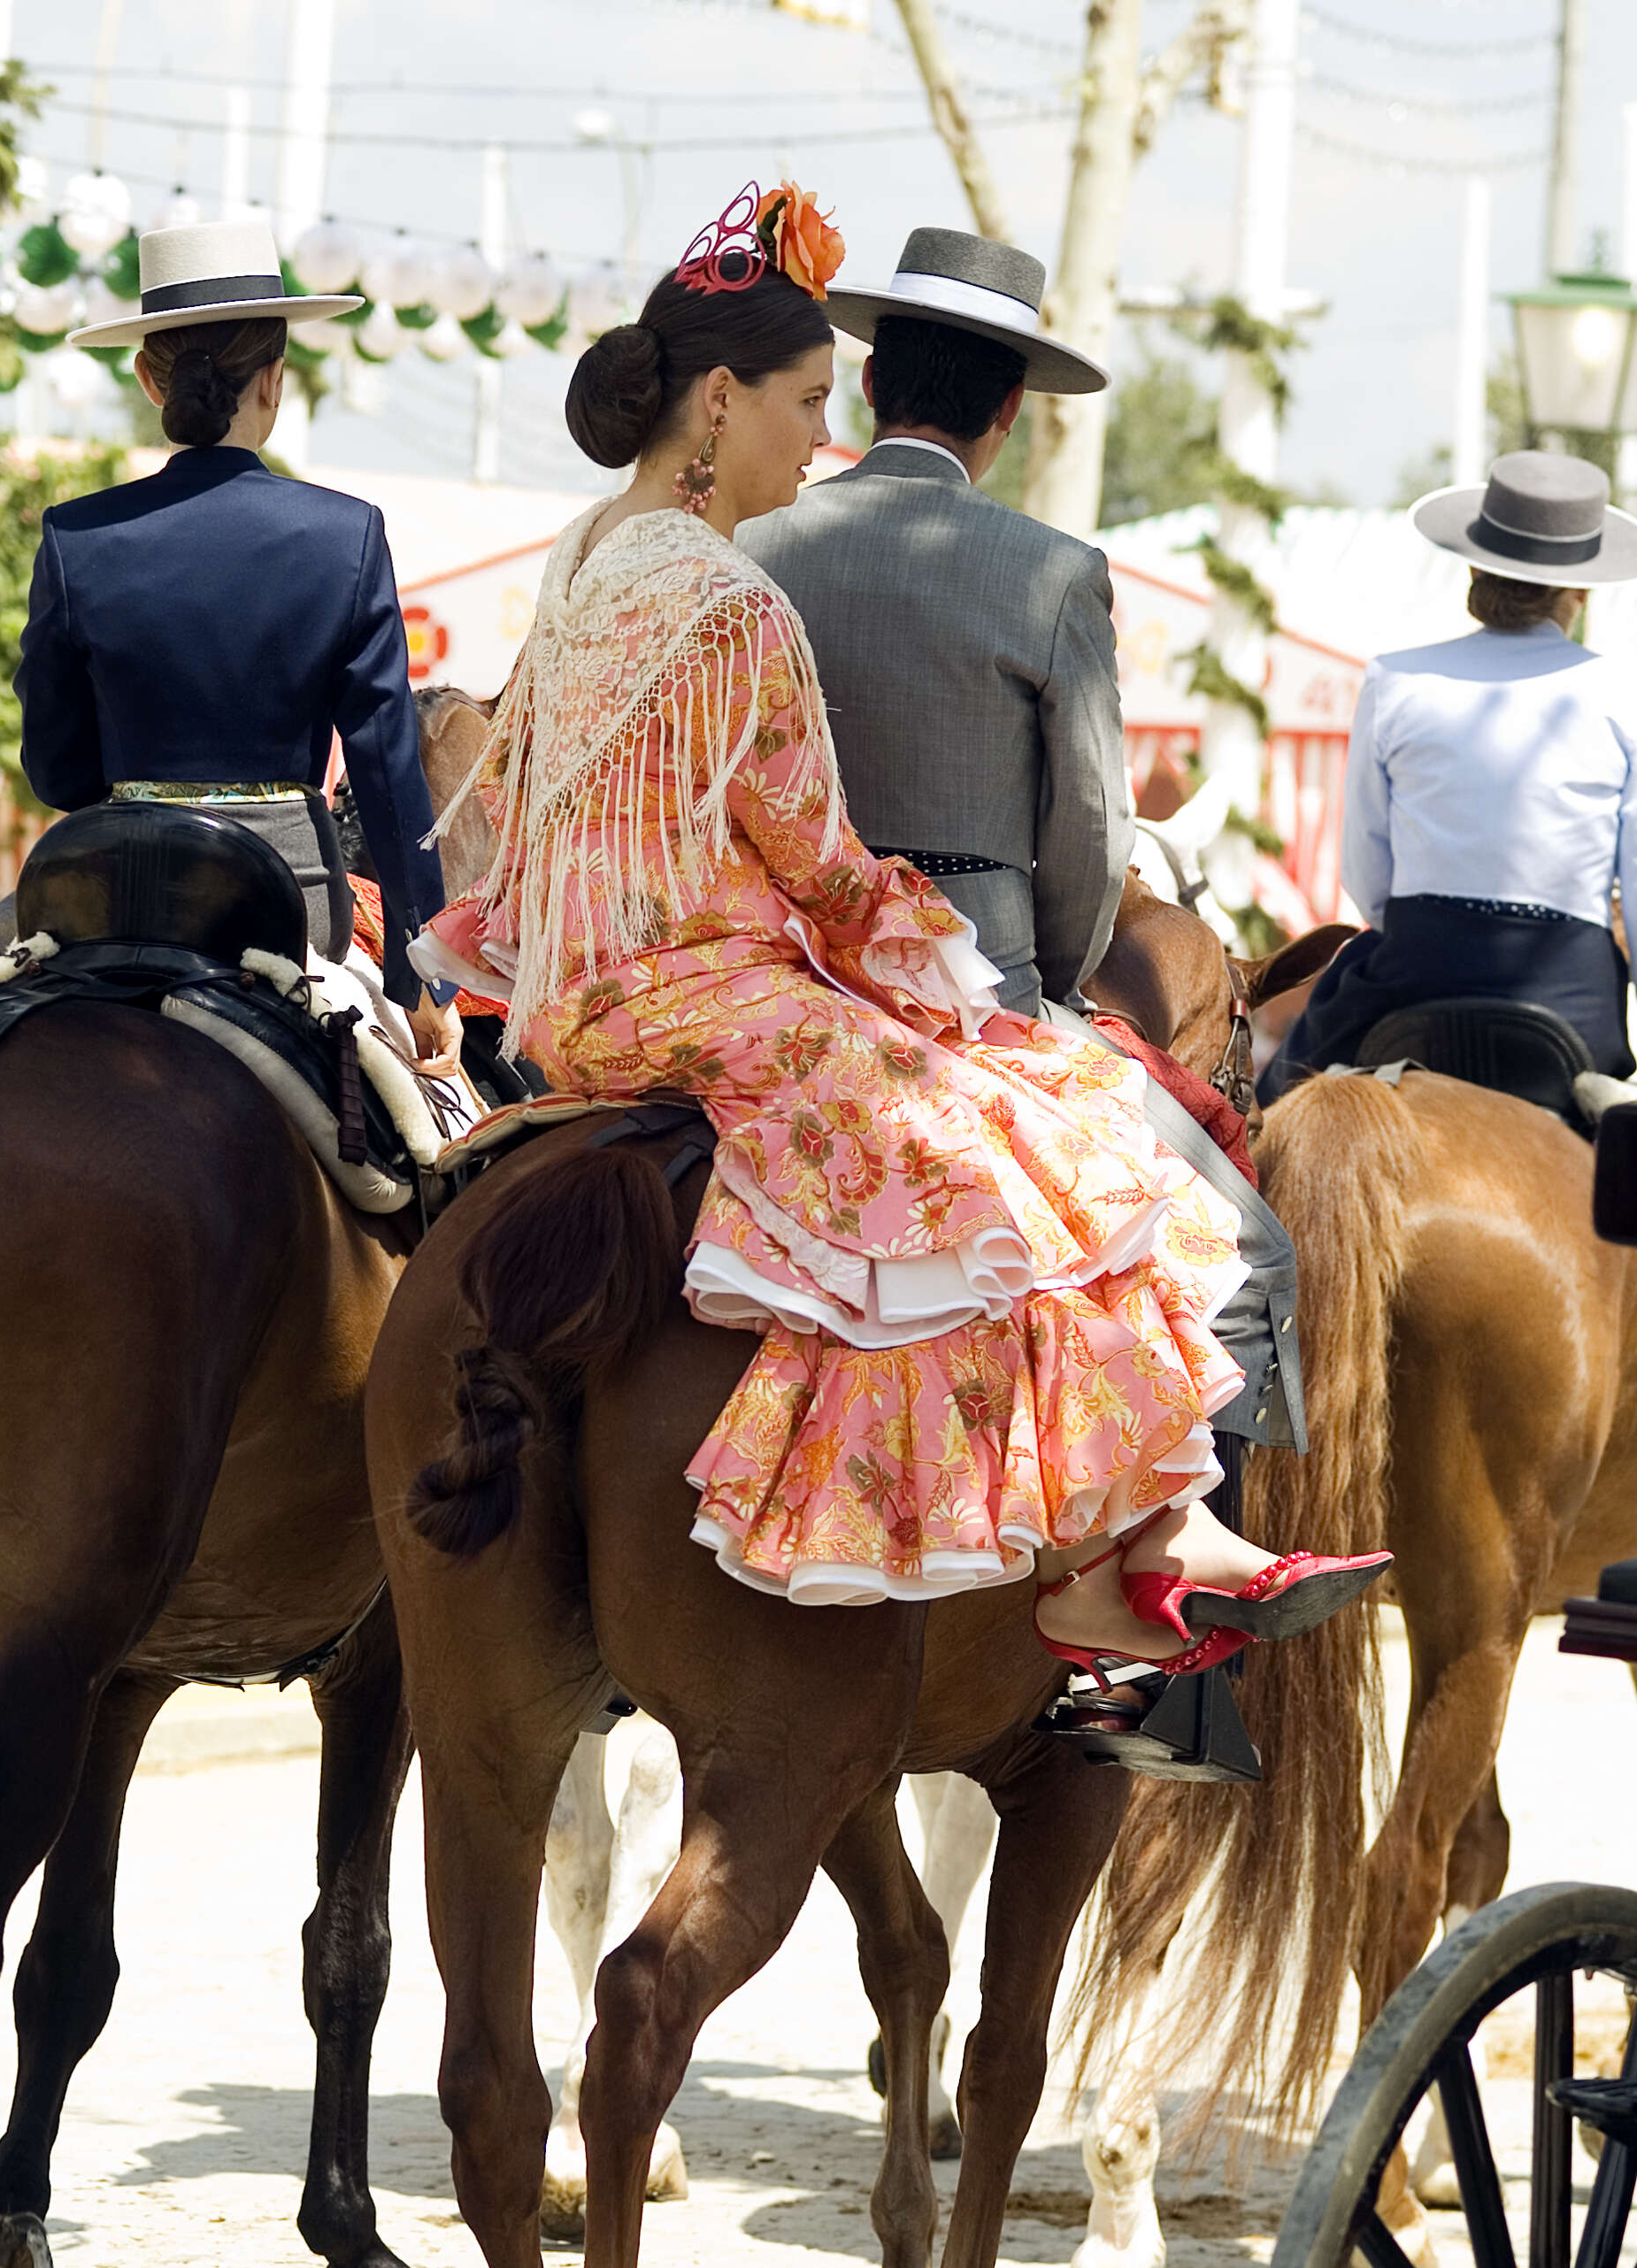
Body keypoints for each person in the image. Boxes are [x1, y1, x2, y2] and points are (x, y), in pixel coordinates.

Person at [415, 181, 1386, 1670]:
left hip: (570, 994)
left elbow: (526, 790)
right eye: (801, 407)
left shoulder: (591, 555)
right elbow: (843, 863)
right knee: (1085, 1161)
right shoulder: (768, 599)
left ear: (885, 375)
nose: (821, 438)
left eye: (832, 400)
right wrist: (959, 988)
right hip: (728, 985)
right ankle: (1139, 1563)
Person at [11, 216, 457, 1065]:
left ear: (149, 379)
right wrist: (421, 978)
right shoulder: (347, 537)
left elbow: (58, 773)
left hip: (108, 894)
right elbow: (390, 781)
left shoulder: (77, 536)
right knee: (426, 1152)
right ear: (275, 382)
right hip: (284, 903)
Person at [741, 225, 1127, 1018]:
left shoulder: (748, 540)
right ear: (1010, 408)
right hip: (975, 986)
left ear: (872, 381)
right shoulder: (1057, 574)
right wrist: (1043, 983)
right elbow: (1092, 829)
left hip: (766, 969)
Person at [1263, 449, 1637, 1103]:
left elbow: (1366, 880)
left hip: (1418, 962)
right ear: (1579, 590)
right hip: (1569, 984)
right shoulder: (1622, 689)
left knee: (1271, 1107)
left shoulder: (1394, 678)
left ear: (1475, 564)